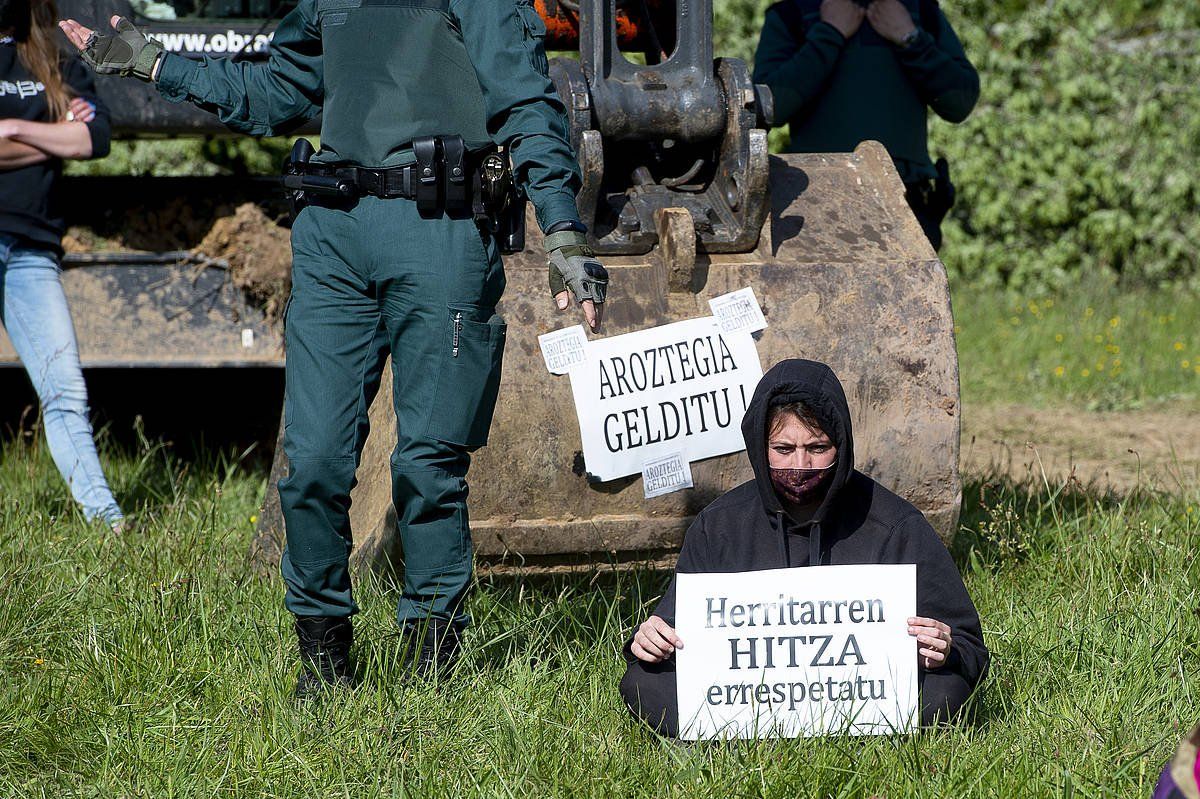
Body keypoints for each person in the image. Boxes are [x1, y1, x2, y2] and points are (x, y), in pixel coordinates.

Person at [58, 0, 610, 697]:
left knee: (428, 464)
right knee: (312, 459)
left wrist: (562, 231)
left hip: (439, 233)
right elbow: (273, 92)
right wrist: (153, 62)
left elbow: (527, 105)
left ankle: (433, 667)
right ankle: (323, 663)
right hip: (332, 238)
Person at [619, 359, 988, 736]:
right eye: (782, 448)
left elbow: (969, 645)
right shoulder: (719, 526)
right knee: (643, 682)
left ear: (840, 445)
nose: (801, 465)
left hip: (863, 698)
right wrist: (648, 639)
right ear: (758, 447)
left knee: (947, 690)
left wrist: (945, 648)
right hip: (747, 699)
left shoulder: (896, 525)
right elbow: (673, 629)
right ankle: (747, 735)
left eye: (817, 447)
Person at [1, 0, 123, 530]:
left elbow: (94, 139)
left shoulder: (54, 59)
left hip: (32, 248)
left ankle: (108, 522)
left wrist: (11, 131)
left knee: (65, 390)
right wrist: (51, 138)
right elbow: (69, 141)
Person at [752, 0, 979, 250]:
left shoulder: (920, 11)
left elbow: (960, 101)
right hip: (816, 210)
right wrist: (828, 35)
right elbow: (766, 108)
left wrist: (910, 37)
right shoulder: (793, 13)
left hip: (906, 208)